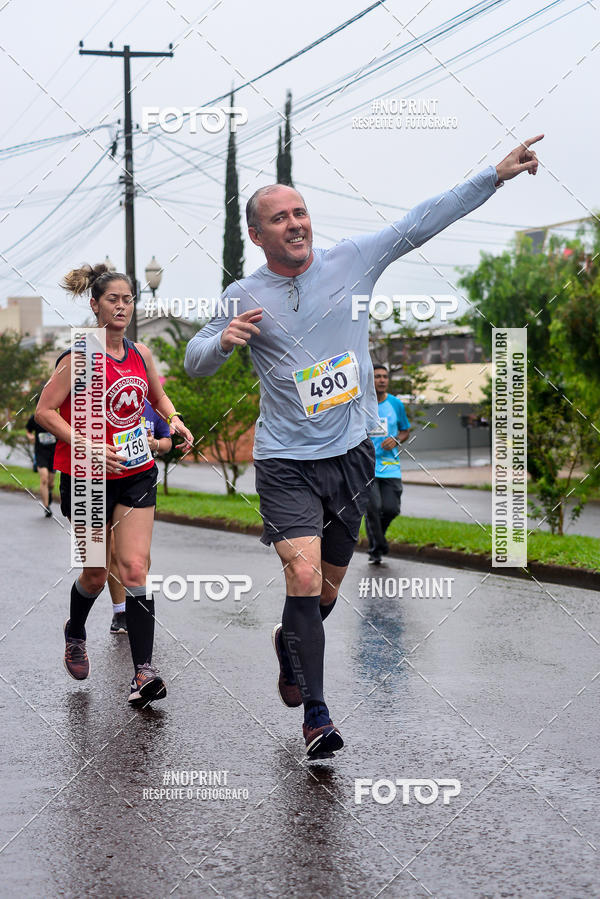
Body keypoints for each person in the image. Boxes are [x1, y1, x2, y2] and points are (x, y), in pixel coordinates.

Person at [184, 136, 542, 756]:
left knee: (322, 594)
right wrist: (224, 340)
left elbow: (419, 222)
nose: (295, 225)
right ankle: (316, 717)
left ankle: (288, 644)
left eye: (300, 213)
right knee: (299, 574)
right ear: (256, 234)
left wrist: (494, 176)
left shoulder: (352, 261)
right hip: (284, 460)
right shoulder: (243, 296)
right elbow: (194, 363)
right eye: (279, 218)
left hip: (351, 452)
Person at [35, 263, 193, 706]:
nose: (121, 306)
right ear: (94, 304)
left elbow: (156, 396)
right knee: (94, 574)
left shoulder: (139, 353)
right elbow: (45, 413)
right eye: (112, 299)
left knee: (135, 568)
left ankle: (142, 673)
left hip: (137, 473)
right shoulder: (80, 355)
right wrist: (87, 443)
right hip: (86, 479)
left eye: (127, 299)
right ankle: (76, 630)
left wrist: (174, 419)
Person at [108, 399, 172, 634]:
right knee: (112, 551)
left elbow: (167, 442)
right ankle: (120, 611)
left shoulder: (152, 405)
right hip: (107, 480)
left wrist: (155, 443)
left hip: (139, 484)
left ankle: (136, 602)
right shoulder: (111, 400)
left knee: (140, 559)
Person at [365, 365, 410, 564]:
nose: (382, 380)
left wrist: (397, 440)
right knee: (373, 508)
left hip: (391, 466)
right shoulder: (363, 404)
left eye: (384, 377)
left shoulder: (396, 404)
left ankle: (378, 541)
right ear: (370, 380)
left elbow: (405, 430)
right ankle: (377, 547)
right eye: (377, 377)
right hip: (367, 467)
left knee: (391, 509)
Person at [26, 414, 56, 517]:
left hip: (53, 453)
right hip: (40, 453)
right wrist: (30, 436)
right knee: (44, 478)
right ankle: (46, 507)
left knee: (51, 483)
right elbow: (28, 431)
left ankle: (49, 492)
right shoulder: (35, 418)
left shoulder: (56, 417)